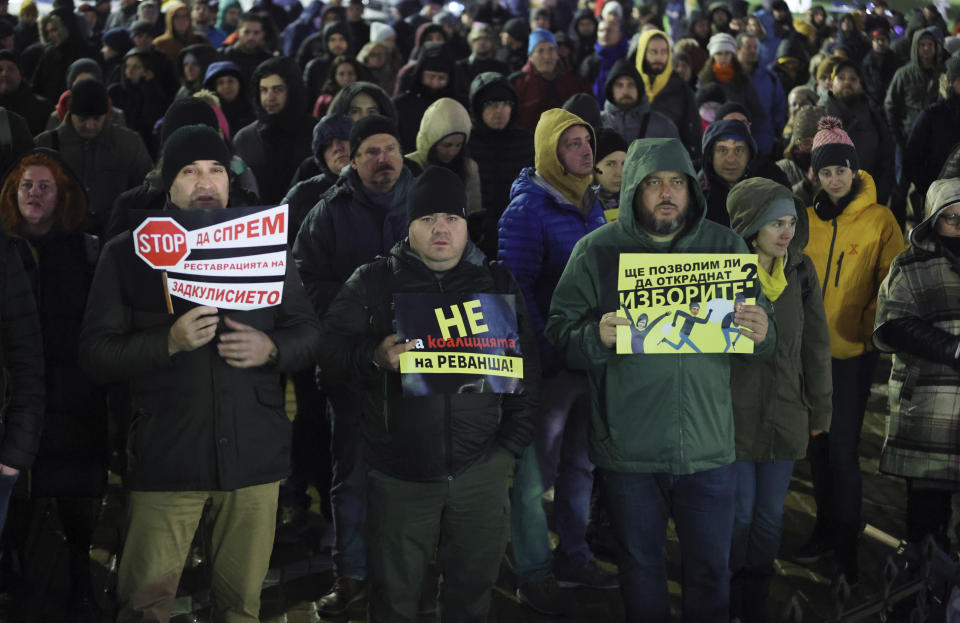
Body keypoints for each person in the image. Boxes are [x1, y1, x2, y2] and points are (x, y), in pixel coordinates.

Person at [79, 124, 321, 623]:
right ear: (168, 183)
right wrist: (167, 342)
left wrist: (271, 348)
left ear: (231, 180)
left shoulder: (266, 247)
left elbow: (310, 334)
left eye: (215, 170)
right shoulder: (127, 253)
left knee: (240, 609)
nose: (205, 182)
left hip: (253, 461)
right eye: (189, 172)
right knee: (146, 607)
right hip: (167, 459)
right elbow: (96, 354)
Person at [544, 137, 774, 622]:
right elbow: (559, 332)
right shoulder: (597, 250)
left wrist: (762, 330)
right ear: (632, 189)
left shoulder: (724, 245)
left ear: (692, 189)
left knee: (711, 570)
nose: (666, 192)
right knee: (641, 566)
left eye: (676, 182)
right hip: (630, 450)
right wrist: (593, 337)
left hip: (708, 448)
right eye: (652, 183)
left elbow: (761, 336)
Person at [320, 165, 538, 622]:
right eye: (427, 219)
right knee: (395, 598)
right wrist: (373, 357)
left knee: (472, 593)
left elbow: (529, 372)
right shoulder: (374, 282)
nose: (441, 228)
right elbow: (326, 358)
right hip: (399, 476)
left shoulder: (496, 283)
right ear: (409, 225)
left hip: (481, 470)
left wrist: (508, 449)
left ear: (466, 225)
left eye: (451, 219)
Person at [293, 115, 415, 616]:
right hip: (352, 365)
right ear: (354, 159)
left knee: (416, 475)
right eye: (370, 152)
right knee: (353, 476)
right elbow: (300, 279)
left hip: (422, 365)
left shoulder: (426, 200)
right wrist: (365, 305)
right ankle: (353, 578)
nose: (381, 159)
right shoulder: (329, 211)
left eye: (389, 149)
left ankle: (409, 578)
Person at [498, 109, 614, 614]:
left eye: (587, 141)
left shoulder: (590, 203)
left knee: (580, 466)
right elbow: (515, 291)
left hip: (587, 358)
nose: (586, 152)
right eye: (571, 144)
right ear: (549, 153)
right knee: (531, 476)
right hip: (547, 364)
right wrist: (548, 352)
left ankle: (574, 554)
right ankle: (531, 569)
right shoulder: (527, 211)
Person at [795, 117, 904, 584]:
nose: (834, 178)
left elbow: (893, 281)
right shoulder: (803, 218)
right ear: (814, 176)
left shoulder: (879, 219)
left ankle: (846, 545)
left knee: (842, 451)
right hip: (808, 356)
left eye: (842, 170)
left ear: (855, 172)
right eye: (825, 171)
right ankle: (823, 528)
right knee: (817, 448)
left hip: (853, 357)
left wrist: (868, 326)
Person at [0, 149, 107, 620]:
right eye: (26, 185)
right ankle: (15, 573)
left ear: (62, 194)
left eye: (45, 186)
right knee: (18, 493)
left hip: (72, 397)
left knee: (75, 498)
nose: (34, 194)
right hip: (18, 394)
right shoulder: (4, 248)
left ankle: (80, 577)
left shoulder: (85, 250)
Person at [725, 177, 832, 622]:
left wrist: (820, 407)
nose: (786, 232)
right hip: (734, 415)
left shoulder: (801, 272)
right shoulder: (722, 273)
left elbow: (816, 346)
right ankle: (727, 596)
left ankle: (753, 601)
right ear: (751, 226)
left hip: (787, 411)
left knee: (769, 517)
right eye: (775, 223)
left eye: (791, 221)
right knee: (741, 514)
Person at [873, 178, 960, 550]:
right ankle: (916, 598)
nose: (959, 226)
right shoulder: (910, 265)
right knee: (926, 518)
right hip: (930, 411)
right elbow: (894, 325)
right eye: (950, 217)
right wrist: (954, 349)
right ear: (932, 220)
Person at [34, 79, 152, 237]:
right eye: (82, 119)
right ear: (71, 114)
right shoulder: (46, 144)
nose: (90, 125)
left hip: (115, 234)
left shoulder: (128, 144)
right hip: (60, 236)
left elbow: (146, 190)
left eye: (97, 118)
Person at [466, 72, 534, 258]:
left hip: (519, 239)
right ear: (477, 107)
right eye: (491, 104)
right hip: (475, 242)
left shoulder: (527, 143)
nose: (500, 110)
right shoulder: (465, 145)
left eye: (506, 104)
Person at [233, 56, 315, 205]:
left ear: (292, 90)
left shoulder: (315, 132)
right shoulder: (245, 138)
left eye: (277, 89)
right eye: (263, 90)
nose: (269, 97)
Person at [885, 27, 943, 224]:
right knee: (901, 186)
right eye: (922, 45)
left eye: (930, 45)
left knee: (929, 187)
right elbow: (890, 105)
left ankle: (924, 227)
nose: (926, 49)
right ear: (915, 48)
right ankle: (895, 229)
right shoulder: (904, 74)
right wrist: (897, 136)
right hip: (907, 139)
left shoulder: (941, 75)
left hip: (932, 142)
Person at [818, 58, 894, 207]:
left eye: (853, 79)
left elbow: (886, 160)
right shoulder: (818, 115)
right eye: (841, 78)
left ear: (860, 85)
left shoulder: (874, 117)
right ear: (831, 84)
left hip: (865, 202)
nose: (847, 82)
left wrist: (878, 195)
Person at [699, 118, 788, 228]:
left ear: (749, 156)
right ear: (710, 156)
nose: (731, 159)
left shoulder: (772, 188)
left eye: (739, 150)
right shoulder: (696, 197)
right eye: (722, 150)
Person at [697, 33, 772, 158]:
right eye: (719, 53)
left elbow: (757, 111)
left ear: (733, 55)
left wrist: (747, 131)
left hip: (740, 137)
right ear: (713, 55)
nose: (724, 57)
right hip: (711, 137)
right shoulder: (704, 80)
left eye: (727, 53)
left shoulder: (743, 79)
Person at [634, 29, 702, 165]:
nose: (659, 57)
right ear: (643, 53)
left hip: (669, 163)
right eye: (653, 52)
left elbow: (692, 133)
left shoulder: (681, 89)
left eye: (664, 52)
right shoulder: (630, 84)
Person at [903, 54, 960, 207]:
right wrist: (930, 191)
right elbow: (912, 159)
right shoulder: (932, 115)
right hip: (938, 201)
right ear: (951, 81)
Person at [406, 97, 481, 215]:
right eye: (447, 145)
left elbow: (473, 209)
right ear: (432, 143)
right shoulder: (409, 166)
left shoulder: (468, 168)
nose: (452, 152)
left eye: (458, 145)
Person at [510, 29, 587, 133]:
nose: (547, 57)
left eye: (551, 50)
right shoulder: (519, 84)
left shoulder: (573, 80)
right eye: (540, 51)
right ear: (531, 57)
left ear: (557, 54)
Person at [393, 40, 457, 153]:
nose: (436, 84)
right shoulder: (401, 104)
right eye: (431, 77)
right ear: (420, 75)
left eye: (442, 78)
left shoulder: (455, 104)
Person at [600, 58, 678, 143]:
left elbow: (676, 155)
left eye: (631, 84)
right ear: (611, 90)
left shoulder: (663, 126)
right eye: (619, 85)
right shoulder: (598, 123)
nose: (625, 91)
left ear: (639, 89)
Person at [776, 106, 827, 206]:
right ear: (796, 142)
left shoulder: (840, 164)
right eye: (806, 143)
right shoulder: (782, 168)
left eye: (820, 141)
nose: (813, 149)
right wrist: (807, 185)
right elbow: (780, 206)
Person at [0, 49, 51, 135]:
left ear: (20, 73)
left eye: (11, 68)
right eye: (0, 70)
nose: (5, 74)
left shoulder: (42, 108)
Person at [579, 17, 628, 107]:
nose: (605, 34)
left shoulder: (628, 60)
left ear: (620, 34)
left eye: (610, 30)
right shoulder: (590, 62)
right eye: (601, 31)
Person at [219, 12, 272, 86]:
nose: (251, 37)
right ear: (238, 33)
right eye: (246, 32)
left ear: (262, 35)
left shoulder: (269, 61)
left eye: (256, 33)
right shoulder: (224, 56)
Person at [202, 60, 255, 135]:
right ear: (213, 88)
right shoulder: (208, 115)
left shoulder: (253, 110)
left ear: (240, 84)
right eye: (220, 82)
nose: (226, 86)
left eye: (231, 81)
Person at [151, 1, 209, 66]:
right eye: (177, 17)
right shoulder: (160, 44)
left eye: (185, 16)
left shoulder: (200, 40)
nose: (182, 20)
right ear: (170, 20)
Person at [594, 127, 626, 219]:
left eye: (624, 164)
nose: (619, 173)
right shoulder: (579, 207)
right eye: (610, 164)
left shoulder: (634, 203)